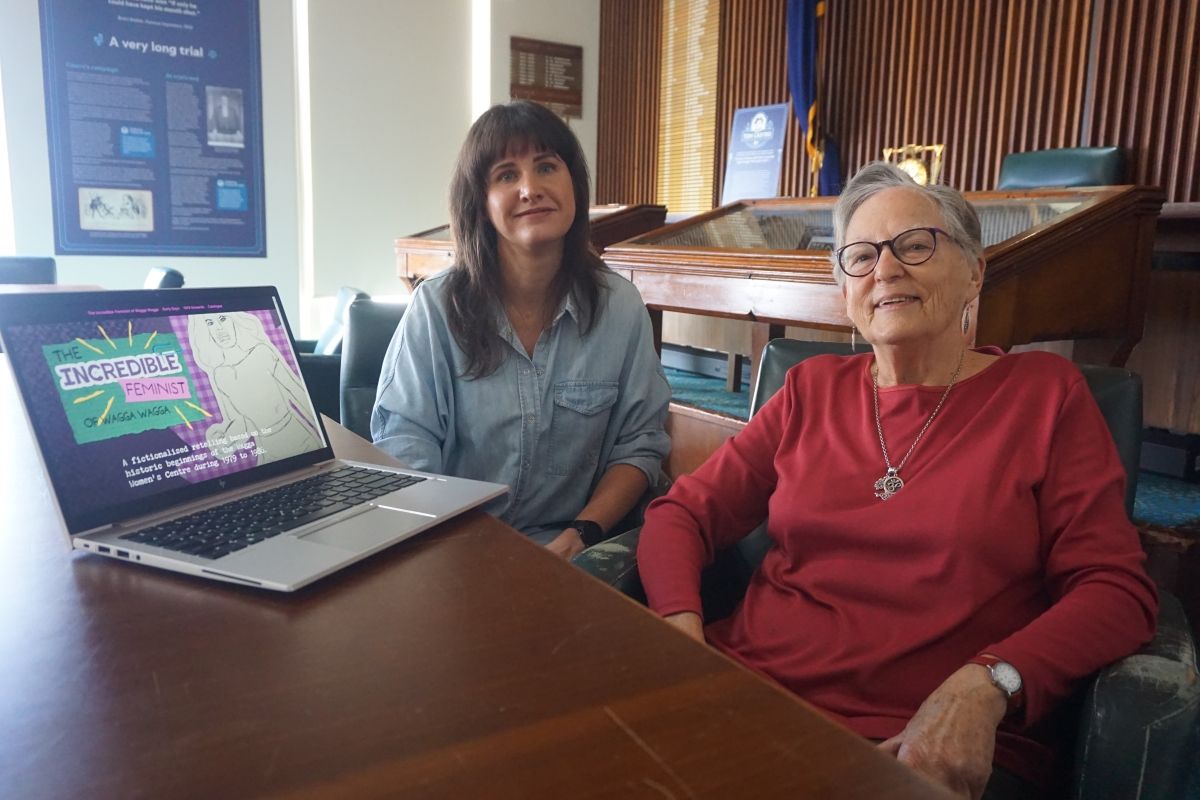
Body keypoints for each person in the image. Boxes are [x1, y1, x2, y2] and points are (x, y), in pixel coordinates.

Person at [637, 162, 1157, 799]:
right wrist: (680, 635)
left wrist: (989, 684)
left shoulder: (1045, 397)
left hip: (922, 739)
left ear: (975, 273)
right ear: (846, 291)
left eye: (915, 245)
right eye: (860, 256)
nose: (885, 269)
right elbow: (680, 514)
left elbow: (1115, 590)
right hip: (744, 698)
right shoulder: (809, 390)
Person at [371, 101, 671, 558]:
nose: (531, 189)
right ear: (481, 202)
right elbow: (404, 446)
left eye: (547, 166)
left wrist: (578, 539)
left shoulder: (620, 308)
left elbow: (639, 446)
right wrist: (466, 551)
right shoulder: (436, 307)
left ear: (574, 184)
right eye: (507, 175)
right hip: (453, 548)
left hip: (573, 550)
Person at [188, 311, 322, 464]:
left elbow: (297, 392)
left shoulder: (261, 352)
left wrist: (324, 442)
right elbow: (241, 424)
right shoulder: (220, 375)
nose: (219, 329)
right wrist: (224, 443)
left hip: (299, 440)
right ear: (206, 331)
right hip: (267, 451)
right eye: (210, 323)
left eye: (223, 319)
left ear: (234, 321)